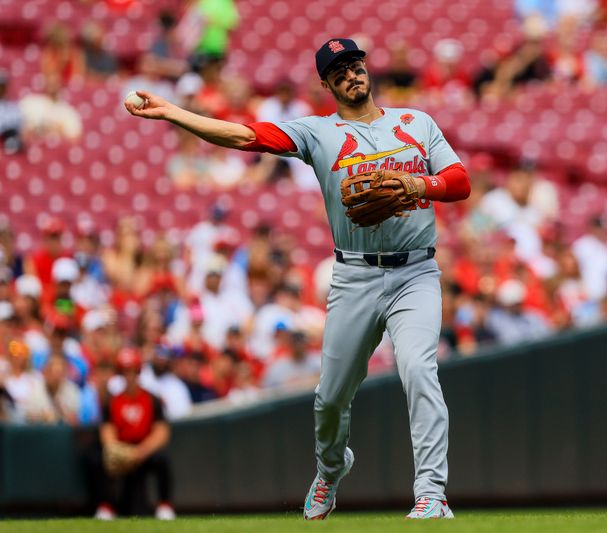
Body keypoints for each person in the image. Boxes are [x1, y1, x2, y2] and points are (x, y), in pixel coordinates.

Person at [125, 37, 471, 520]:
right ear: (327, 83)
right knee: (330, 398)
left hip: (416, 270)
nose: (351, 74)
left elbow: (459, 181)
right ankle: (331, 468)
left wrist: (418, 184)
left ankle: (431, 493)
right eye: (339, 71)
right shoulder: (317, 132)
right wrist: (174, 113)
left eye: (355, 64)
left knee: (418, 371)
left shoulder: (416, 122)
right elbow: (245, 136)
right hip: (355, 277)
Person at [90, 348, 175, 520]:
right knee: (98, 459)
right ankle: (106, 507)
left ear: (138, 373)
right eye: (125, 372)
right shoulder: (112, 401)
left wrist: (140, 452)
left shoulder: (152, 399)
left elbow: (161, 432)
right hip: (121, 449)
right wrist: (116, 450)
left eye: (133, 372)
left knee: (163, 460)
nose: (129, 376)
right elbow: (107, 430)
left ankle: (164, 505)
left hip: (144, 449)